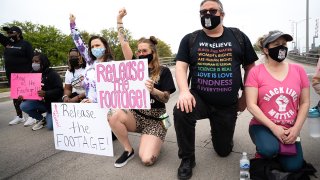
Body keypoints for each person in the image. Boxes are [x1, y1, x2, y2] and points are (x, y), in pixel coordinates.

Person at [173, 0, 258, 179]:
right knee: (181, 109)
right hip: (199, 99)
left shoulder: (238, 37)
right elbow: (181, 67)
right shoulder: (190, 39)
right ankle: (187, 158)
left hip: (227, 104)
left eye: (213, 10)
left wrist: (245, 97)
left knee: (223, 150)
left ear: (222, 14)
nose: (208, 15)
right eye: (203, 12)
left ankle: (220, 134)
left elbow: (250, 67)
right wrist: (184, 91)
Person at [106, 8, 176, 168]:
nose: (140, 53)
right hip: (136, 115)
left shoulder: (163, 71)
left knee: (146, 159)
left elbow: (166, 97)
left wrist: (154, 90)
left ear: (153, 52)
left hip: (156, 120)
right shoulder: (133, 67)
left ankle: (153, 139)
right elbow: (124, 43)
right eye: (139, 51)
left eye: (145, 50)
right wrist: (119, 21)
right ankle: (128, 149)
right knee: (112, 113)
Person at [245, 30, 310, 172]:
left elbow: (305, 102)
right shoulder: (256, 72)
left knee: (294, 166)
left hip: (289, 128)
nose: (281, 47)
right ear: (266, 50)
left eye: (284, 44)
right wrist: (274, 128)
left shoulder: (298, 71)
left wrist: (296, 129)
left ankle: (281, 149)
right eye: (276, 44)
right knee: (268, 150)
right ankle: (266, 149)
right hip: (263, 126)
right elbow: (251, 105)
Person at [69, 14, 118, 141]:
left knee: (109, 136)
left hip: (108, 109)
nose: (94, 48)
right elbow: (78, 41)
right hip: (91, 107)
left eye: (98, 45)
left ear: (105, 47)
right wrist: (72, 24)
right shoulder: (90, 63)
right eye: (92, 46)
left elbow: (113, 92)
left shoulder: (112, 65)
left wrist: (95, 102)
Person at [20, 52, 63, 130]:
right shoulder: (31, 74)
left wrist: (46, 93)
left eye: (37, 61)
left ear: (43, 62)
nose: (34, 64)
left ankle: (53, 115)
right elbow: (28, 91)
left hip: (52, 104)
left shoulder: (52, 74)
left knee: (50, 126)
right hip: (40, 103)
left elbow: (60, 90)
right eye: (33, 61)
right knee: (23, 105)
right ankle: (41, 119)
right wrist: (23, 96)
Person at [1, 26, 33, 125]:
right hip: (12, 75)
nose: (9, 34)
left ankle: (32, 116)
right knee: (16, 97)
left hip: (25, 75)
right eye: (8, 33)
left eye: (11, 32)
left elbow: (32, 58)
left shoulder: (25, 44)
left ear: (18, 33)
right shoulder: (8, 43)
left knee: (28, 96)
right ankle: (19, 116)